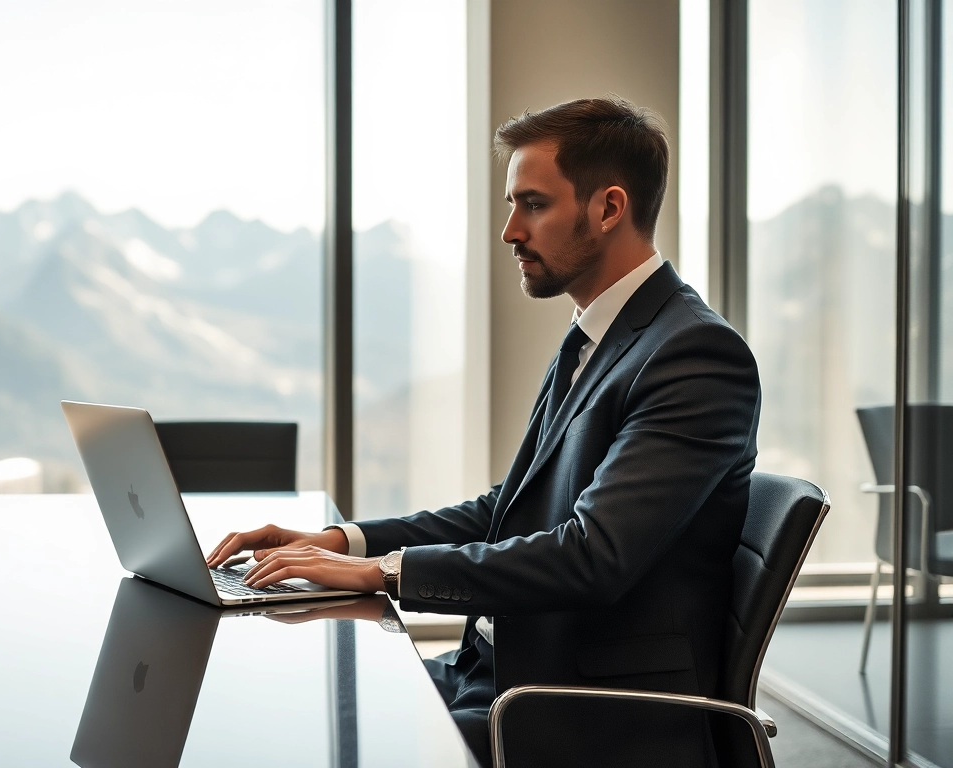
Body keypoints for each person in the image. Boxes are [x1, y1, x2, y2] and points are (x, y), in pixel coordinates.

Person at [208, 97, 760, 767]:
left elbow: (592, 555)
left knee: (321, 744)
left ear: (609, 208)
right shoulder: (595, 336)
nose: (509, 231)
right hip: (498, 677)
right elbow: (506, 510)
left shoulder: (695, 354)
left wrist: (376, 573)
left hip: (580, 711)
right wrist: (339, 540)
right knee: (298, 704)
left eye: (532, 204)